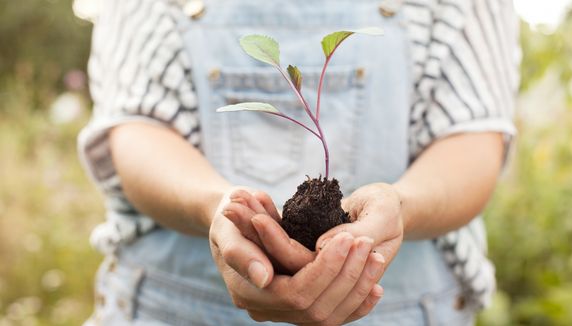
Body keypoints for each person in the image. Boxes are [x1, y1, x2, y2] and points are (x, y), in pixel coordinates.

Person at [79, 0, 519, 324]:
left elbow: (471, 141)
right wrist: (216, 207)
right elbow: (139, 130)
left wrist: (398, 206)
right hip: (174, 309)